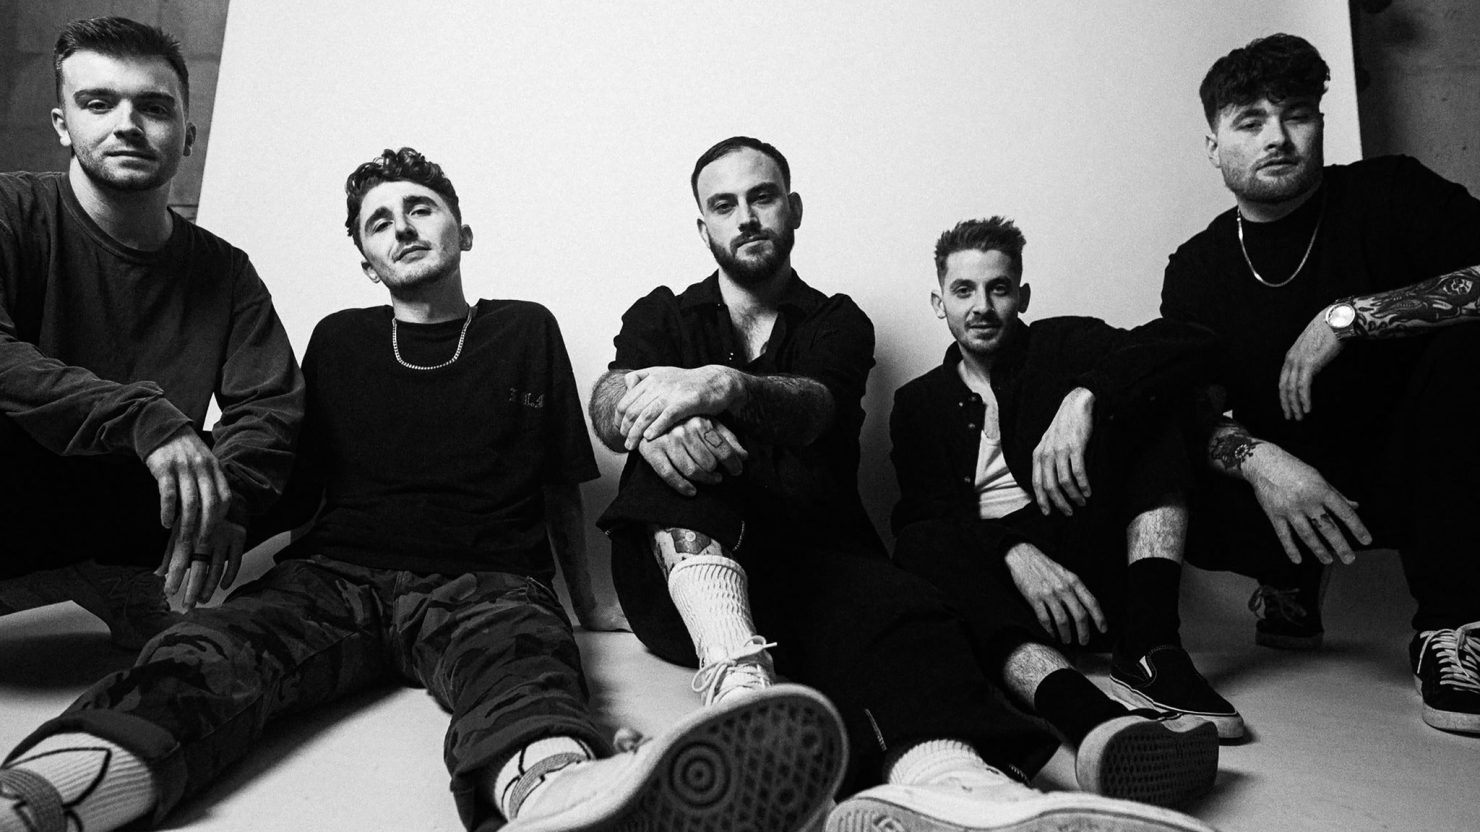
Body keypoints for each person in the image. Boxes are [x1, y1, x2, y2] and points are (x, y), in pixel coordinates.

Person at [0, 147, 850, 832]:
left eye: (421, 209)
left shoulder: (525, 328)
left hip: (488, 581)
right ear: (366, 262)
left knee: (527, 675)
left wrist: (587, 605)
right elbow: (295, 478)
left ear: (462, 231)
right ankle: (48, 793)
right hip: (332, 577)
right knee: (207, 654)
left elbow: (559, 481)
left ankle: (567, 799)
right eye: (380, 222)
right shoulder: (338, 338)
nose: (403, 228)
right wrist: (215, 532)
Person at [590, 136, 1217, 831]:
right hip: (677, 593)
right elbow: (610, 400)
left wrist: (721, 385)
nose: (746, 217)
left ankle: (963, 789)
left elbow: (816, 409)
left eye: (762, 197)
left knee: (907, 609)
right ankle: (740, 696)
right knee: (679, 449)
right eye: (724, 204)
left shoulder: (838, 322)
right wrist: (653, 421)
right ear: (702, 224)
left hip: (811, 572)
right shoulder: (662, 316)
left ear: (793, 209)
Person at [1161, 33, 1480, 734]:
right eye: (1250, 122)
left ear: (1320, 123)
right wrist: (1261, 463)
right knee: (1156, 412)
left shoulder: (1390, 192)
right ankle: (1289, 577)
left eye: (1297, 114)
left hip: (1418, 472)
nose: (1277, 137)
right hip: (1283, 489)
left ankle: (1453, 624)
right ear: (1213, 146)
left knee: (1472, 344)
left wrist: (1354, 317)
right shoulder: (1197, 267)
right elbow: (1191, 407)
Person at [887, 216, 1230, 802]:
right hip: (999, 594)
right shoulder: (918, 402)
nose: (982, 307)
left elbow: (1195, 341)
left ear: (1022, 296)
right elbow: (927, 514)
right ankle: (1091, 718)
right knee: (918, 541)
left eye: (998, 288)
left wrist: (1087, 395)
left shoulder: (1066, 345)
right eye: (964, 290)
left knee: (1151, 402)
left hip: (1092, 561)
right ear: (939, 302)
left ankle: (1151, 651)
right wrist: (1013, 551)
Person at [0, 16, 304, 646]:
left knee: (313, 452)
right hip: (14, 482)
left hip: (123, 494)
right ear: (63, 124)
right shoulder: (12, 211)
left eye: (154, 107)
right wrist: (140, 416)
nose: (127, 125)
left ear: (186, 136)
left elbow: (269, 405)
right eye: (98, 103)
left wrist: (233, 499)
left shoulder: (225, 270)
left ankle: (112, 573)